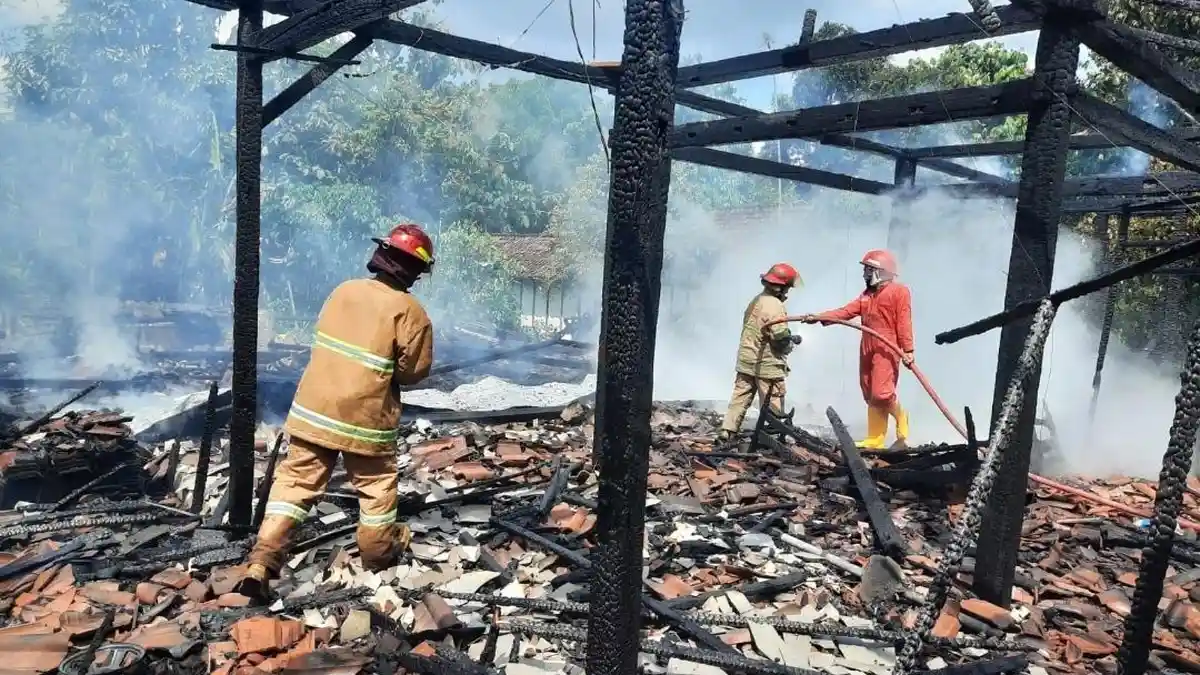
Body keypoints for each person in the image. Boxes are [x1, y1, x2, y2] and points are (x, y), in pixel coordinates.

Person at [239, 224, 436, 598]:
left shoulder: (343, 291)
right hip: (366, 422)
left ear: (381, 256)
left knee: (294, 486)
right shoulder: (410, 311)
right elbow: (413, 372)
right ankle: (378, 558)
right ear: (414, 269)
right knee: (376, 492)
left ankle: (261, 561)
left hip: (314, 412)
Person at [800, 249, 913, 450]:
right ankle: (875, 438)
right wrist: (818, 317)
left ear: (881, 271)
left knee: (881, 393)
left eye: (868, 270)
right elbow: (845, 312)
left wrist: (908, 349)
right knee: (869, 392)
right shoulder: (866, 296)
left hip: (887, 345)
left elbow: (904, 322)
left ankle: (901, 417)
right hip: (867, 345)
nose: (864, 274)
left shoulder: (899, 292)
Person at [718, 263, 804, 441]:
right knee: (772, 400)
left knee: (740, 397)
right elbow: (779, 337)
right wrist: (790, 342)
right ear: (780, 287)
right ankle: (772, 436)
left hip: (747, 358)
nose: (787, 292)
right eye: (787, 288)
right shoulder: (775, 305)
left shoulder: (757, 300)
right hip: (766, 363)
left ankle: (727, 431)